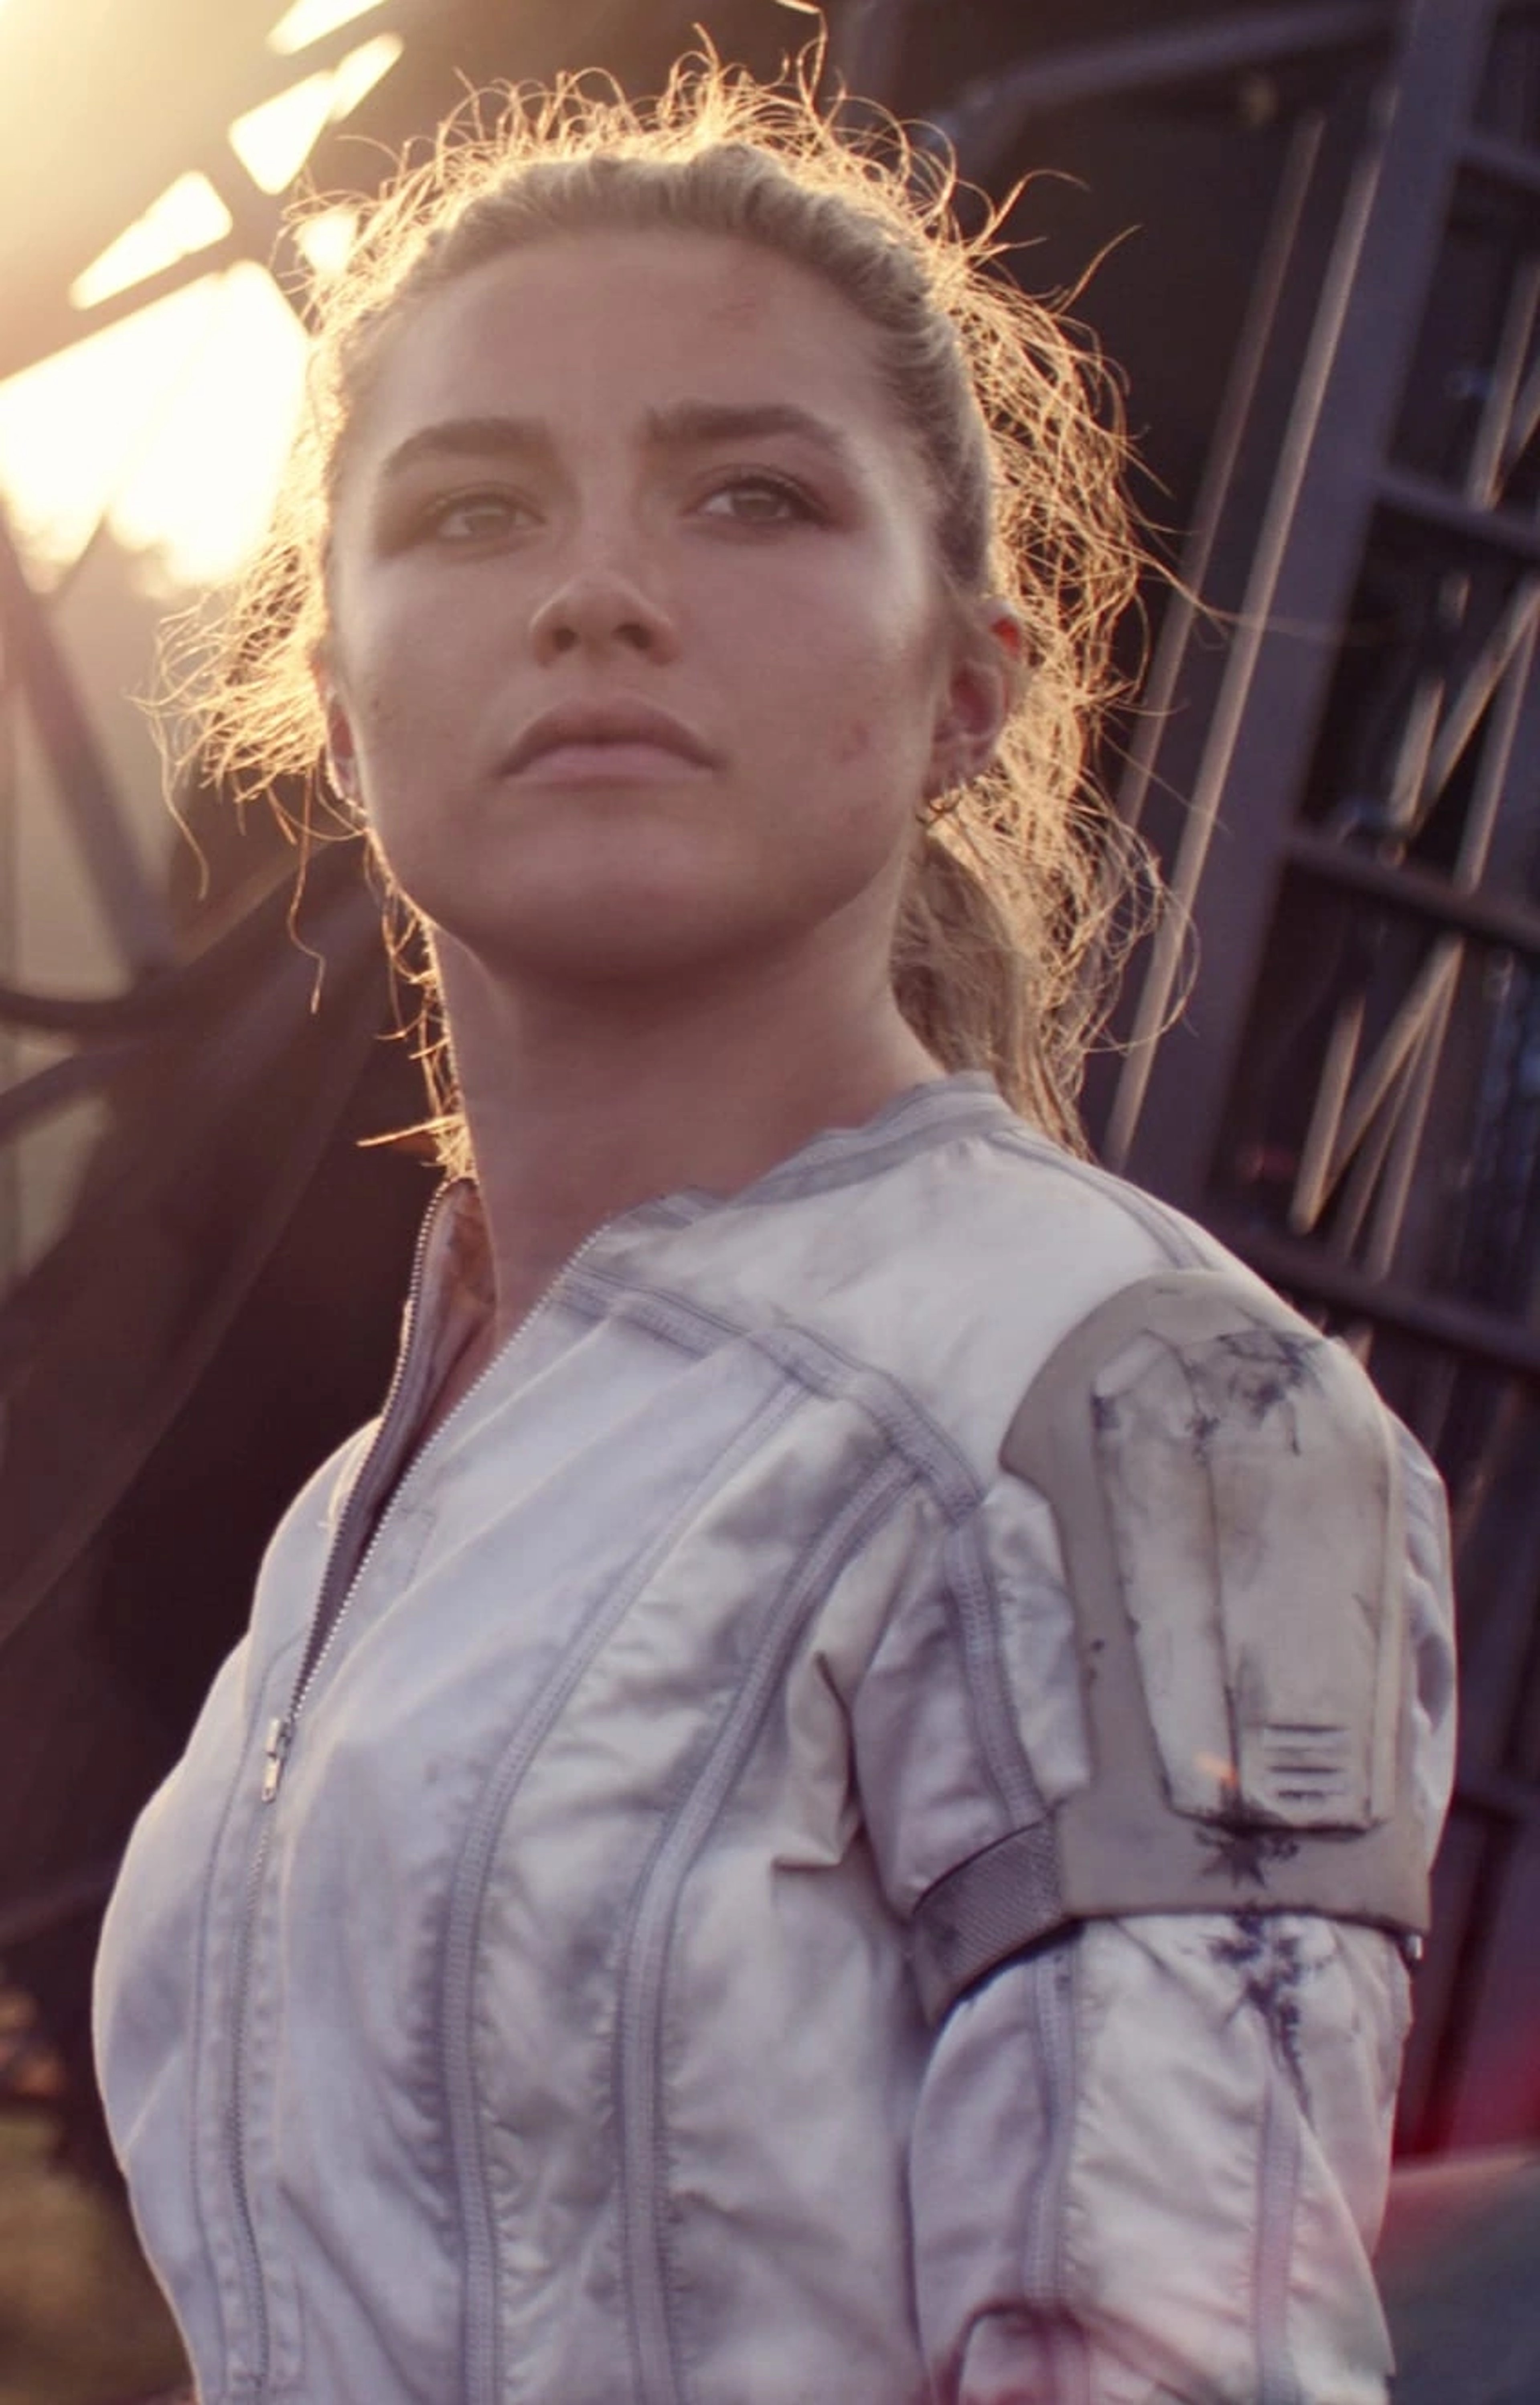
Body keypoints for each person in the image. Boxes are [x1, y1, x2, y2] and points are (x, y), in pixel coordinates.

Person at [93, 49, 1456, 2405]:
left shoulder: (1126, 1400)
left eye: (753, 495)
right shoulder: (358, 1526)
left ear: (969, 689)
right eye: (473, 512)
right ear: (330, 698)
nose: (602, 595)